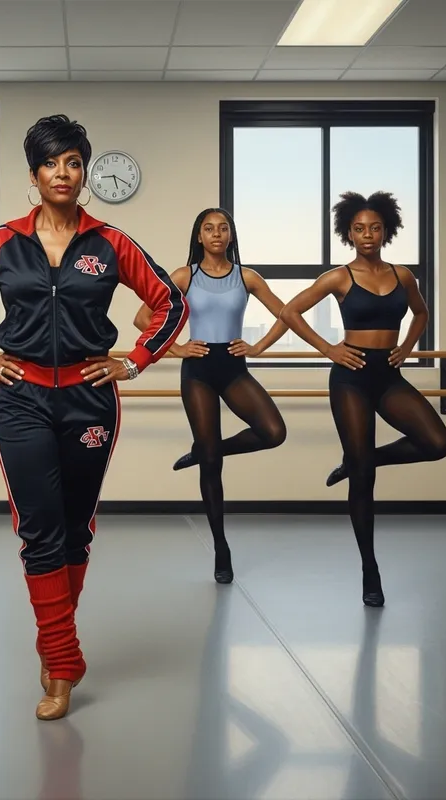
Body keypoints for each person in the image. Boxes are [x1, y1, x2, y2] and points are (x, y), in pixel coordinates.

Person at [0, 115, 188, 720]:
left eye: (73, 162)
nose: (63, 173)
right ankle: (63, 659)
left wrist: (137, 360)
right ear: (34, 175)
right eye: (51, 164)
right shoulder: (3, 242)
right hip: (20, 400)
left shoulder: (110, 242)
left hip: (89, 400)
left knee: (76, 527)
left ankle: (53, 641)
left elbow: (170, 303)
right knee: (39, 527)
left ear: (84, 172)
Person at [280, 191, 446, 607]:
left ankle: (360, 457)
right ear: (348, 232)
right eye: (359, 228)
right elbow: (289, 312)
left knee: (437, 443)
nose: (367, 234)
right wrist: (330, 350)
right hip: (350, 378)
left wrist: (409, 346)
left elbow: (421, 314)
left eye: (375, 227)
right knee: (364, 480)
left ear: (386, 229)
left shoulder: (403, 275)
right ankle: (369, 571)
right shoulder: (340, 276)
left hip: (388, 376)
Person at [134, 207, 288, 584]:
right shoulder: (185, 276)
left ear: (231, 236)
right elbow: (142, 318)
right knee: (212, 466)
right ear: (199, 237)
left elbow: (287, 314)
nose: (217, 234)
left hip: (233, 367)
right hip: (198, 371)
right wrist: (178, 348)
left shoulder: (247, 277)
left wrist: (259, 346)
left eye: (224, 228)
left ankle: (206, 446)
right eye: (209, 229)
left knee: (273, 431)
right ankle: (221, 547)